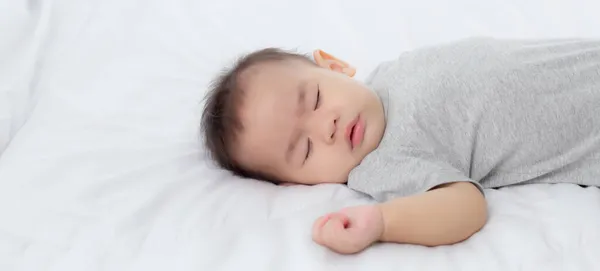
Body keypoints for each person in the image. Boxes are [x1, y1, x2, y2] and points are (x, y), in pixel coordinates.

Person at [201, 37, 600, 254]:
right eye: (304, 150)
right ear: (296, 184)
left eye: (317, 99)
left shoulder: (391, 72)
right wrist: (382, 223)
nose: (328, 127)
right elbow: (464, 205)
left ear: (334, 66)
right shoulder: (382, 164)